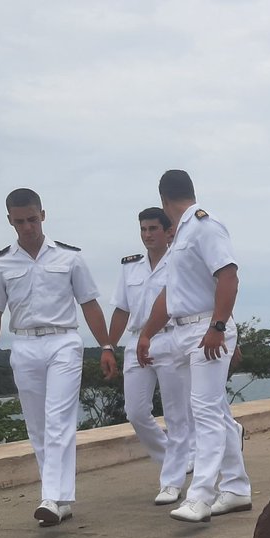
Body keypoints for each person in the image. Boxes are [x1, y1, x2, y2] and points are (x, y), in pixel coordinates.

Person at [0, 188, 116, 527]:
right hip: (23, 345)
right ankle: (61, 501)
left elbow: (90, 305)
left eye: (33, 219)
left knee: (57, 418)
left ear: (43, 215)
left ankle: (50, 497)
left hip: (63, 340)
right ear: (10, 221)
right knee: (37, 426)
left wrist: (106, 346)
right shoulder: (0, 263)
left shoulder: (70, 258)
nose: (28, 227)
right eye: (20, 221)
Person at [135, 170, 251, 524]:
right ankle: (236, 488)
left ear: (164, 198)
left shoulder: (204, 225)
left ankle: (201, 496)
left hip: (206, 330)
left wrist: (218, 326)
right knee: (212, 410)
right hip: (184, 331)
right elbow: (170, 295)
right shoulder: (181, 233)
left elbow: (228, 275)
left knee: (203, 411)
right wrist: (146, 333)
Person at [105, 207, 194, 506]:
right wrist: (108, 346)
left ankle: (171, 482)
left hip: (170, 338)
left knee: (176, 415)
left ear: (167, 231)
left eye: (153, 228)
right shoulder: (130, 267)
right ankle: (175, 459)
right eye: (143, 229)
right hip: (136, 341)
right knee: (136, 411)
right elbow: (121, 309)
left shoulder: (179, 261)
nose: (147, 235)